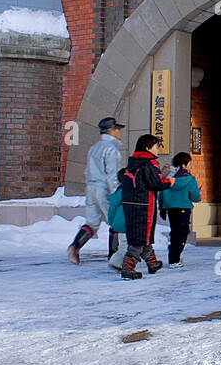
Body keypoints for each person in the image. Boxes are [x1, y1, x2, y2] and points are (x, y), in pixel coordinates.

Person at [68, 117, 125, 264]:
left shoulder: (94, 148)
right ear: (111, 131)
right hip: (104, 188)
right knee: (115, 222)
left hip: (91, 187)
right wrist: (117, 194)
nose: (119, 132)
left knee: (92, 222)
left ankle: (75, 247)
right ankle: (114, 256)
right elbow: (113, 175)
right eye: (117, 129)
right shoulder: (112, 150)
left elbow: (88, 170)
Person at [118, 134, 172, 280]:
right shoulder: (149, 163)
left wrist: (161, 176)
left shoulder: (134, 162)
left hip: (131, 204)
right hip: (144, 205)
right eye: (156, 146)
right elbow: (156, 184)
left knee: (142, 234)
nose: (158, 150)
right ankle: (128, 267)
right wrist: (170, 181)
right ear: (148, 147)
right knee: (140, 236)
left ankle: (152, 263)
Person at [159, 151, 201, 269]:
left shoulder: (170, 178)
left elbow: (161, 192)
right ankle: (175, 259)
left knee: (175, 232)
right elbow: (196, 197)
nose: (190, 166)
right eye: (189, 163)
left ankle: (174, 256)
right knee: (182, 233)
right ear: (184, 164)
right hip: (183, 209)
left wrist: (162, 206)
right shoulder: (190, 179)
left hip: (171, 210)